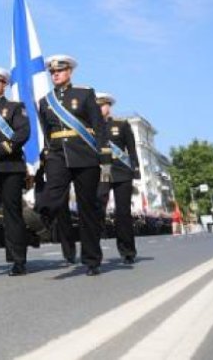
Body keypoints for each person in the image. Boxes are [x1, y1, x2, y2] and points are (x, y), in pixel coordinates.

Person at [37, 55, 110, 276]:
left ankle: (91, 260)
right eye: (52, 72)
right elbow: (47, 133)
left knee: (87, 208)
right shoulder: (45, 101)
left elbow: (99, 127)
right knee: (53, 195)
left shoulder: (84, 93)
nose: (55, 74)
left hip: (84, 155)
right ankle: (39, 223)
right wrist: (47, 155)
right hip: (58, 155)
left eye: (60, 70)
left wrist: (105, 158)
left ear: (70, 72)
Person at [95, 93, 140, 265]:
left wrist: (135, 169)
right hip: (104, 169)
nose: (100, 109)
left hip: (122, 171)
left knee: (123, 213)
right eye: (97, 106)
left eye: (103, 105)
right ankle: (94, 249)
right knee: (98, 206)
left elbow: (132, 149)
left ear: (109, 106)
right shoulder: (92, 127)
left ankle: (127, 251)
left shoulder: (121, 125)